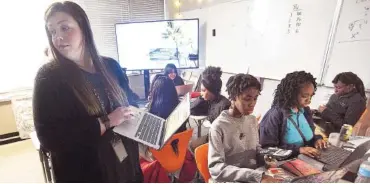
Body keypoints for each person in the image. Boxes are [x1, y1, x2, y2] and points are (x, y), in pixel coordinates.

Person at [33, 1, 142, 182]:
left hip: (124, 167)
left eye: (65, 28)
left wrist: (139, 119)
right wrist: (107, 122)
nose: (58, 37)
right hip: (85, 172)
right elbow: (49, 138)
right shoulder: (49, 78)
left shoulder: (110, 66)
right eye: (52, 31)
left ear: (83, 26)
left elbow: (130, 100)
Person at [208, 74, 277, 183]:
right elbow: (216, 168)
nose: (252, 104)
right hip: (232, 180)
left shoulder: (252, 120)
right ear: (233, 96)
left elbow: (256, 149)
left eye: (255, 98)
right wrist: (256, 176)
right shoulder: (219, 126)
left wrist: (265, 158)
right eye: (247, 99)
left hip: (252, 175)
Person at [140, 76, 195, 182]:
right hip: (178, 158)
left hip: (158, 162)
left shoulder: (149, 115)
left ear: (154, 93)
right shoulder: (181, 112)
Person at [259, 71, 326, 158]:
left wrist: (317, 139)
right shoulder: (275, 114)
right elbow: (267, 149)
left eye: (311, 96)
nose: (309, 101)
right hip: (286, 162)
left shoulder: (305, 110)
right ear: (291, 94)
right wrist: (298, 150)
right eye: (304, 96)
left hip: (308, 158)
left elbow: (307, 137)